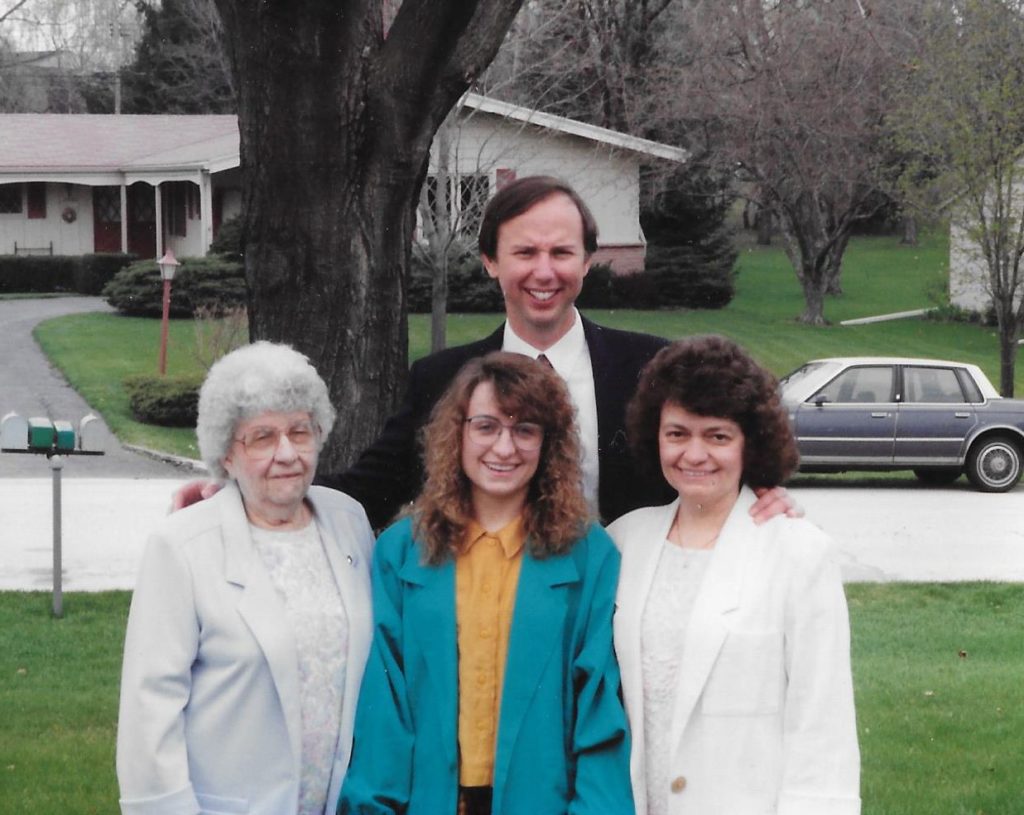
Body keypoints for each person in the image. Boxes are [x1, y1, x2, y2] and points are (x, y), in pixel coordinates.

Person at [173, 176, 795, 527]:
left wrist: (766, 494)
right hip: (496, 628)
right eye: (525, 253)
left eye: (561, 252)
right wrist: (244, 494)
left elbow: (715, 454)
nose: (544, 271)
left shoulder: (650, 371)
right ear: (492, 262)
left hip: (628, 616)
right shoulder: (444, 380)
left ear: (586, 260)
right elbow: (369, 488)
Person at [337, 352, 634, 815]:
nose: (504, 448)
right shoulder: (402, 551)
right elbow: (384, 709)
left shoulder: (588, 554)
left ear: (548, 444)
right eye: (487, 426)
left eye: (525, 430)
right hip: (429, 801)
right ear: (457, 433)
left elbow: (598, 711)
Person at [117, 342, 375, 815]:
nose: (287, 453)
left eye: (301, 431)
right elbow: (148, 714)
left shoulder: (348, 522)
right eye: (261, 437)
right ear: (226, 455)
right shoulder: (182, 547)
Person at [608, 336, 860, 815]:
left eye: (717, 436)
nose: (694, 454)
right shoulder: (624, 542)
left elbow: (822, 725)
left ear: (751, 442)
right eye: (677, 434)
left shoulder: (800, 554)